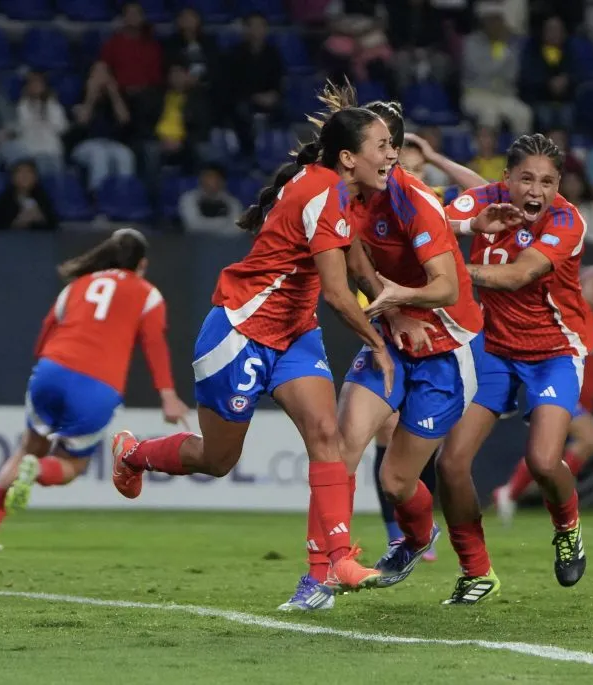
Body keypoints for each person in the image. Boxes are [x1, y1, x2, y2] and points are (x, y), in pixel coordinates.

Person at [109, 101, 397, 599]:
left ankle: (332, 565)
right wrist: (379, 344)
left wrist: (390, 306)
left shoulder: (342, 192)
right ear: (349, 158)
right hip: (240, 331)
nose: (392, 155)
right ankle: (134, 454)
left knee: (325, 434)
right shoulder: (323, 192)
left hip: (295, 333)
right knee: (217, 458)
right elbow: (336, 293)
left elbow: (356, 264)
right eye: (383, 146)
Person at [282, 93, 486, 611]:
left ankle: (417, 537)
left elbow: (447, 288)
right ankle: (320, 577)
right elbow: (356, 264)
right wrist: (391, 314)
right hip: (393, 339)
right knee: (340, 447)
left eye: (393, 146)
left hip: (445, 348)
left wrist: (401, 299)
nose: (392, 155)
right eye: (383, 145)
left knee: (396, 482)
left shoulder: (414, 200)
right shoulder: (346, 196)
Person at [438, 133, 593, 604]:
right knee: (451, 462)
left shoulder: (567, 220)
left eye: (547, 181)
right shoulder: (481, 200)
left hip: (554, 351)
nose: (536, 190)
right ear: (506, 179)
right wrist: (457, 225)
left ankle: (568, 526)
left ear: (558, 185)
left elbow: (518, 275)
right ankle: (476, 572)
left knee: (543, 461)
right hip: (494, 350)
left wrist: (451, 274)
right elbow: (428, 225)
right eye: (527, 179)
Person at [0, 229, 189, 550]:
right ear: (142, 264)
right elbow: (154, 345)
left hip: (51, 371)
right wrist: (167, 395)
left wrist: (46, 367)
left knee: (25, 450)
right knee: (72, 466)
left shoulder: (77, 286)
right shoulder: (148, 294)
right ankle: (37, 470)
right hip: (97, 386)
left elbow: (47, 330)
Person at [494, 265, 593, 523]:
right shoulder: (565, 313)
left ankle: (510, 492)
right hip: (559, 392)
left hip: (585, 400)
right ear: (580, 286)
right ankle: (557, 493)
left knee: (548, 453)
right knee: (590, 439)